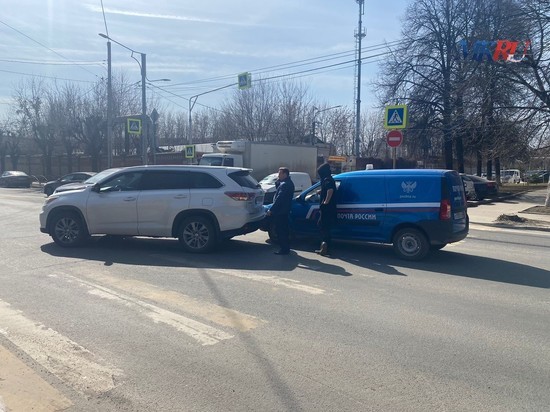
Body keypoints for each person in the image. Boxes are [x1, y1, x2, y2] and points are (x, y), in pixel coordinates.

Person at [266, 167, 295, 255]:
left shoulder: (285, 184)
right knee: (284, 230)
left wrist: (271, 210)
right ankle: (286, 247)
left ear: (284, 174)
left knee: (281, 230)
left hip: (281, 211)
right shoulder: (288, 183)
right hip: (285, 210)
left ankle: (284, 249)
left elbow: (279, 199)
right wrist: (278, 181)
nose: (278, 175)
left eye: (280, 173)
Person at [315, 162, 337, 256]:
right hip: (329, 208)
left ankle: (324, 246)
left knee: (323, 227)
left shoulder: (327, 180)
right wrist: (321, 191)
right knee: (324, 226)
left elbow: (330, 190)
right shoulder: (329, 179)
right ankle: (325, 247)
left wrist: (325, 202)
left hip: (326, 208)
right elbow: (328, 189)